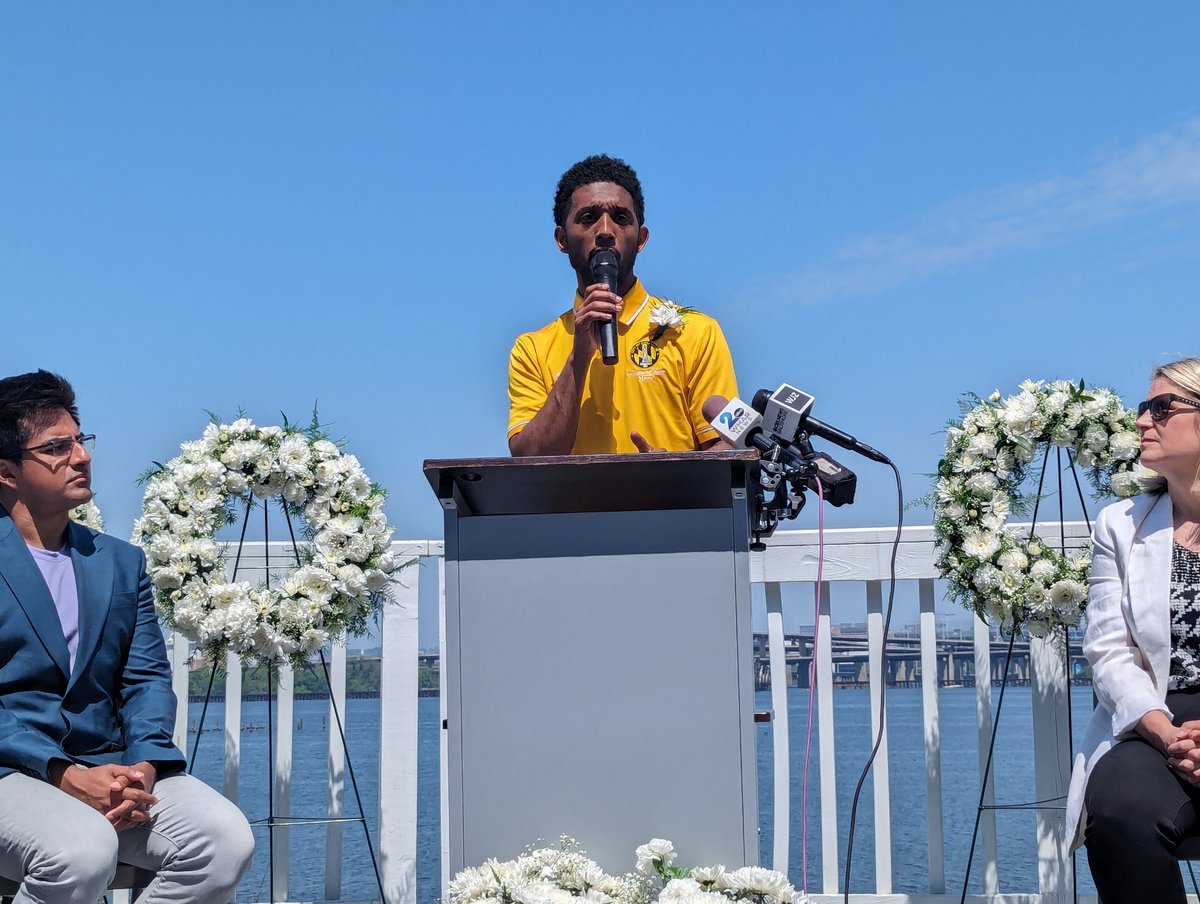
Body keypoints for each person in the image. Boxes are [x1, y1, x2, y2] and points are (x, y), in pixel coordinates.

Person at [0, 370, 254, 903]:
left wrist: (141, 768)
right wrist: (63, 775)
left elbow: (147, 680)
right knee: (81, 850)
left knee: (223, 841)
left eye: (80, 440)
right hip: (11, 769)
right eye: (56, 447)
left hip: (113, 766)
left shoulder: (118, 561)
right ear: (6, 472)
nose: (81, 456)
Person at [1065, 357, 1200, 902]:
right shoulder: (1119, 525)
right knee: (1121, 812)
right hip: (1157, 719)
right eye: (1143, 408)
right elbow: (1109, 651)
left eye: (1162, 408)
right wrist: (1170, 736)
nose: (1143, 420)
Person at [507, 154, 738, 456]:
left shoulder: (696, 332)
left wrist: (677, 473)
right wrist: (579, 358)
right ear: (561, 239)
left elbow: (728, 446)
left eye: (621, 218)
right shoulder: (531, 349)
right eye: (588, 218)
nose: (605, 231)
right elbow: (528, 459)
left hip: (675, 504)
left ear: (641, 238)